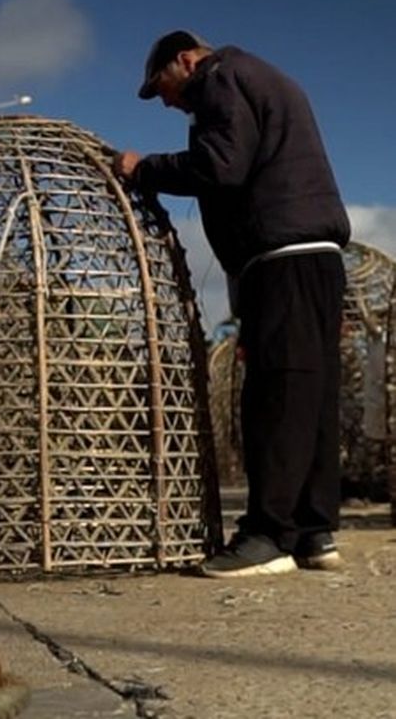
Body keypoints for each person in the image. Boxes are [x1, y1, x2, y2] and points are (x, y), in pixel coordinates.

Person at [113, 29, 349, 579]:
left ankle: (268, 535)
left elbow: (222, 165)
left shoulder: (221, 77)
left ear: (185, 59)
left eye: (162, 86)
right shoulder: (265, 77)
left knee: (275, 397)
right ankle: (315, 531)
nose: (167, 101)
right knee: (311, 395)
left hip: (282, 256)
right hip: (315, 256)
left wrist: (142, 169)